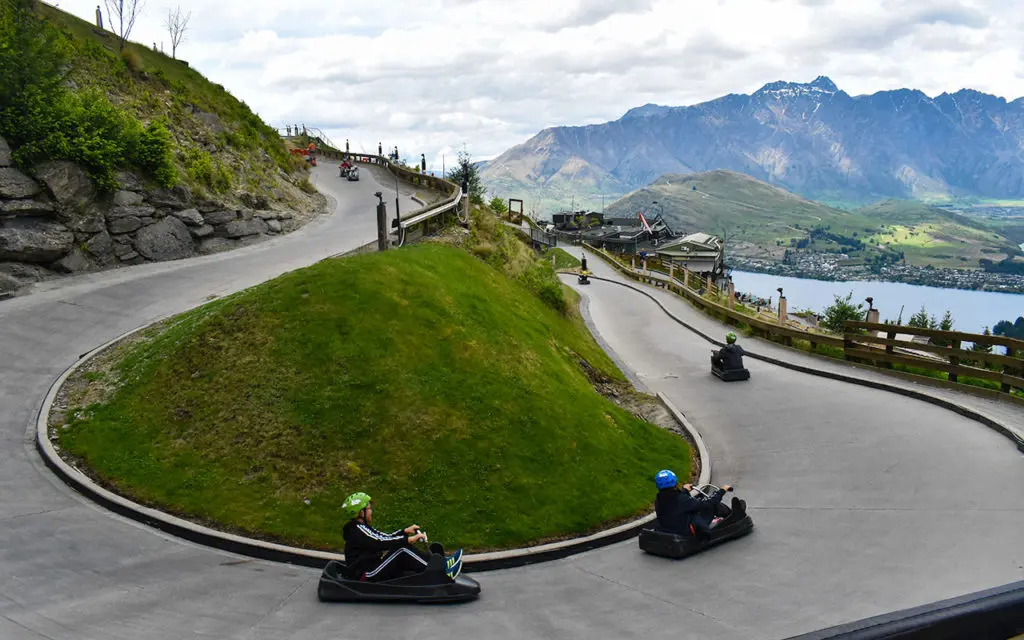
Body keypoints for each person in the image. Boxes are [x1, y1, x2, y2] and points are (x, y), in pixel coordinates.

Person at [341, 492, 463, 582]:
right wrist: (408, 540)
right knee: (402, 550)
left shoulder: (362, 528)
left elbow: (385, 537)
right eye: (369, 508)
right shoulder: (357, 530)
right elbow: (380, 542)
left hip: (372, 566)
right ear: (361, 512)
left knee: (402, 546)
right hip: (365, 574)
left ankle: (443, 564)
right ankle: (440, 572)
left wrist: (405, 532)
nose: (371, 511)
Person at [653, 470, 745, 539]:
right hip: (686, 531)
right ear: (675, 482)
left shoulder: (658, 499)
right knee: (711, 504)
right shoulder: (682, 500)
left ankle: (731, 514)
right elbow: (708, 504)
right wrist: (722, 490)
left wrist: (685, 491)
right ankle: (733, 516)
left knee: (699, 502)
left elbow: (678, 504)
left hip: (670, 527)